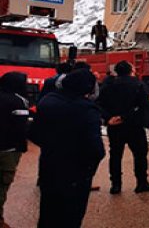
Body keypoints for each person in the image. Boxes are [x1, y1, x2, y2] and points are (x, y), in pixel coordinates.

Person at [29, 69, 105, 228]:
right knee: (71, 216)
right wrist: (88, 168)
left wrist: (52, 146)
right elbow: (96, 149)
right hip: (75, 171)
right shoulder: (87, 110)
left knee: (48, 213)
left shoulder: (48, 101)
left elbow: (33, 133)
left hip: (49, 165)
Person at [96, 61, 149, 194]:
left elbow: (99, 104)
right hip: (134, 126)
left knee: (115, 155)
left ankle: (115, 184)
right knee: (140, 154)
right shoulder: (139, 84)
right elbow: (143, 106)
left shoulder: (108, 85)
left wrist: (108, 118)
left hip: (114, 125)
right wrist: (126, 117)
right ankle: (141, 182)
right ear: (131, 70)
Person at [0, 72, 28, 228]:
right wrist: (22, 146)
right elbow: (20, 128)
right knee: (2, 185)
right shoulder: (18, 101)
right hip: (8, 150)